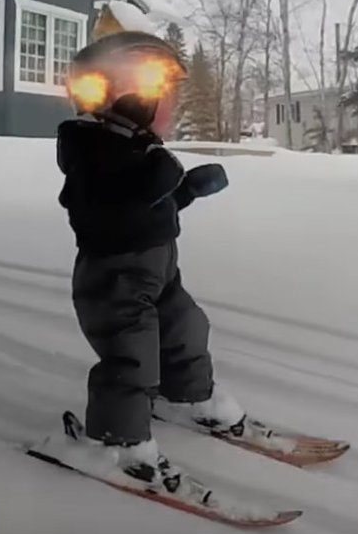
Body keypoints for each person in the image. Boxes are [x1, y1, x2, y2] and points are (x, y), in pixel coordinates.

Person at [55, 27, 245, 489]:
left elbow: (149, 204)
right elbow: (105, 208)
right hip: (114, 280)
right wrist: (158, 179)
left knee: (186, 328)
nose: (168, 106)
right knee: (132, 356)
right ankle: (117, 440)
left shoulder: (136, 151)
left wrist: (186, 192)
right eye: (156, 94)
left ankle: (187, 395)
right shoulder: (89, 152)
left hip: (158, 270)